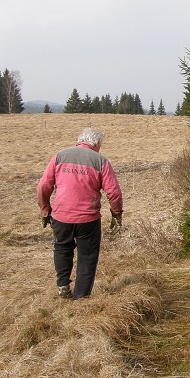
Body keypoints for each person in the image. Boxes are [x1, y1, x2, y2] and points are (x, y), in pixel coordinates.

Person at [37, 127, 123, 300]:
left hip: (61, 216)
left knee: (62, 248)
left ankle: (62, 285)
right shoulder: (100, 161)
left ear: (80, 140)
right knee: (87, 257)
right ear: (97, 143)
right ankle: (80, 297)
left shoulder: (60, 156)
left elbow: (43, 186)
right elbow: (114, 192)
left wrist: (45, 210)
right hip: (88, 219)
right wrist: (116, 213)